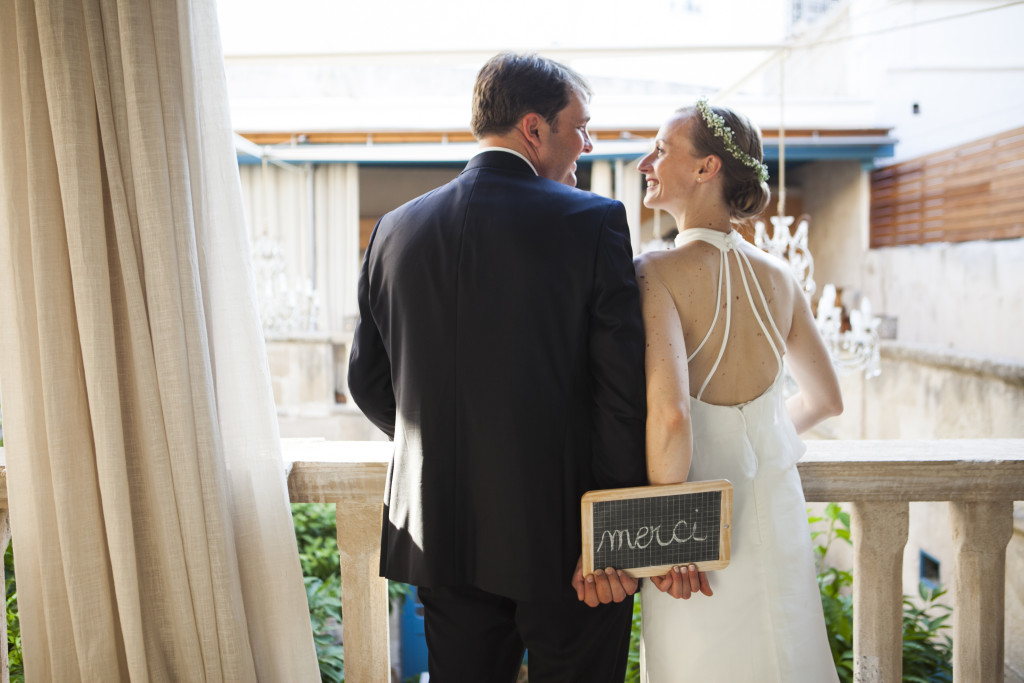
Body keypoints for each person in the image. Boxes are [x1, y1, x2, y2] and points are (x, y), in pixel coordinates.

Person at [347, 52, 647, 682]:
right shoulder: (594, 222)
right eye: (580, 128)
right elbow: (622, 396)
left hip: (441, 536)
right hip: (570, 550)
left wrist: (450, 450)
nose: (585, 146)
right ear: (535, 129)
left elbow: (368, 383)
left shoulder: (394, 229)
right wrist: (610, 538)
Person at [633, 98, 844, 682]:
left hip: (697, 536)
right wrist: (760, 432)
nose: (646, 161)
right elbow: (828, 400)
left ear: (707, 169)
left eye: (662, 148)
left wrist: (666, 541)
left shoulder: (654, 272)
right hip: (775, 520)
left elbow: (672, 417)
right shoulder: (779, 277)